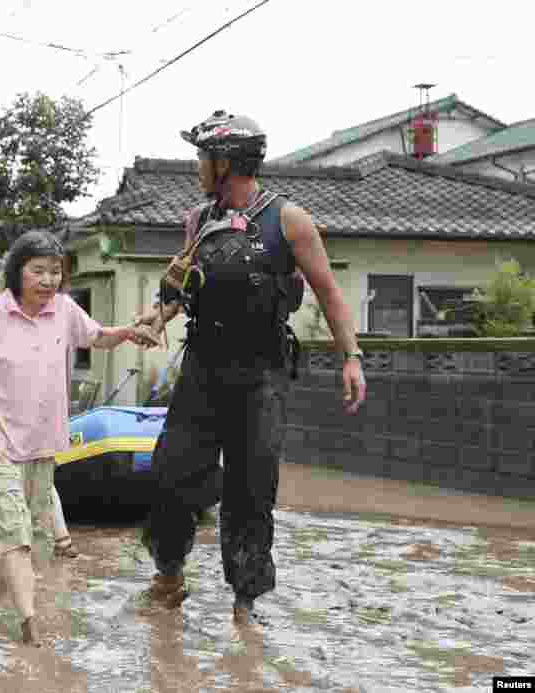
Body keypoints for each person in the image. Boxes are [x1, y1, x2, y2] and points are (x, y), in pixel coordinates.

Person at [131, 110, 366, 625]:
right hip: (203, 369)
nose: (197, 166)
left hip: (261, 375)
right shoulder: (198, 220)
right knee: (170, 476)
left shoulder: (289, 220)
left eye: (203, 157)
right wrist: (156, 317)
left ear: (227, 162)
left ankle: (245, 605)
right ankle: (168, 577)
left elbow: (329, 293)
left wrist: (351, 357)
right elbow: (182, 287)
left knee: (251, 490)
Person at [0, 230, 157, 645]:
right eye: (38, 271)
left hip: (42, 441)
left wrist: (128, 332)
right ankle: (30, 623)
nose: (48, 280)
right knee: (14, 531)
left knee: (31, 533)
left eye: (55, 272)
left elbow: (97, 336)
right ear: (18, 271)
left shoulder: (64, 309)